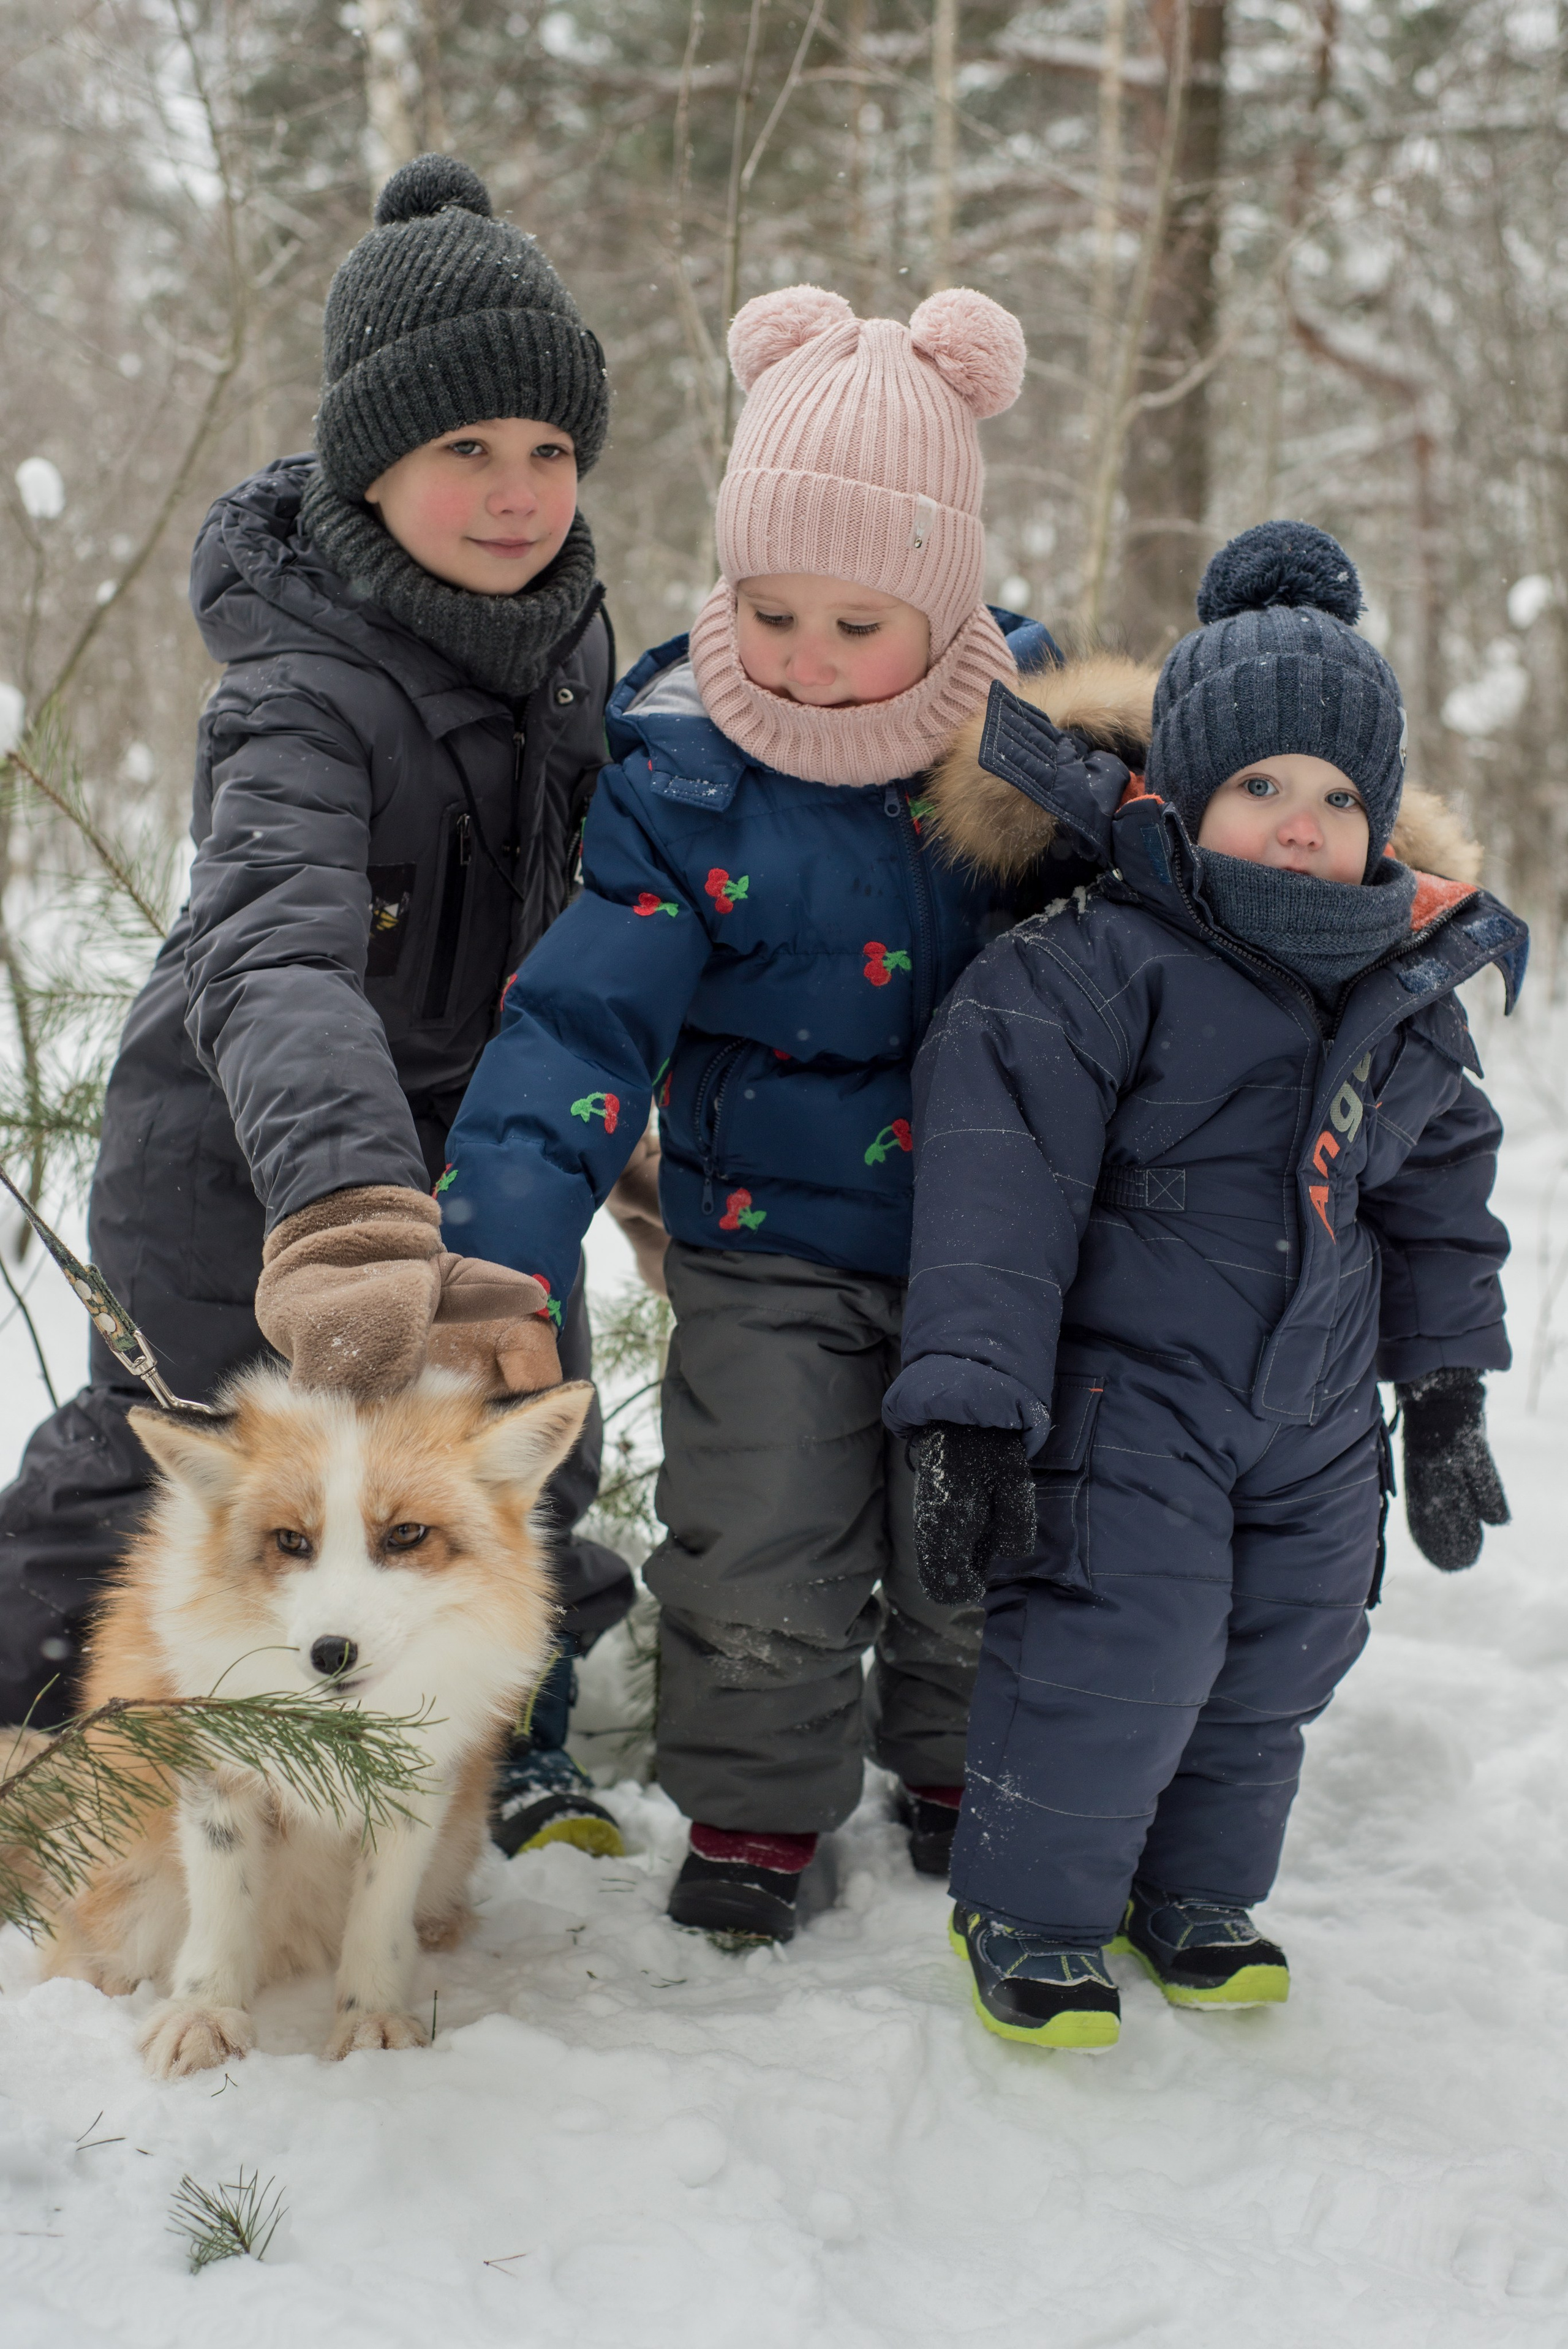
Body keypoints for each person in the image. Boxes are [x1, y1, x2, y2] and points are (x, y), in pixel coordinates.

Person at [0, 154, 635, 1861]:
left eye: (550, 451)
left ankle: (492, 1735)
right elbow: (272, 956)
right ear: (372, 459)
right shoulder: (299, 689)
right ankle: (43, 1734)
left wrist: (632, 1132)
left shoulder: (571, 644)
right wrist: (348, 1209)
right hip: (245, 1147)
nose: (517, 494)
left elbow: (611, 917)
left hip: (479, 1141)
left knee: (513, 1443)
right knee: (180, 1450)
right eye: (466, 451)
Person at [435, 282, 1057, 1942]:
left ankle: (956, 1759)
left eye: (861, 624)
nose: (809, 660)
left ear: (943, 603)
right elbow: (583, 1013)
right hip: (765, 1233)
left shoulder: (1032, 761)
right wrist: (500, 1235)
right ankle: (763, 1806)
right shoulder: (684, 768)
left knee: (972, 1525)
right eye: (772, 609)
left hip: (994, 1251)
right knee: (761, 1521)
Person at [884, 521, 1527, 2048]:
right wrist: (968, 1413)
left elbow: (1439, 1197)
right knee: (1122, 1638)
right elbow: (994, 1192)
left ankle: (1198, 1891)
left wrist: (1438, 1390)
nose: (1299, 825)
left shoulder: (1407, 995)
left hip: (1310, 1413)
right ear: (1180, 792)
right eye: (1258, 788)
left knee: (1287, 1644)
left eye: (1334, 797)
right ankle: (1030, 1912)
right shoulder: (1095, 961)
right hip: (1128, 1398)